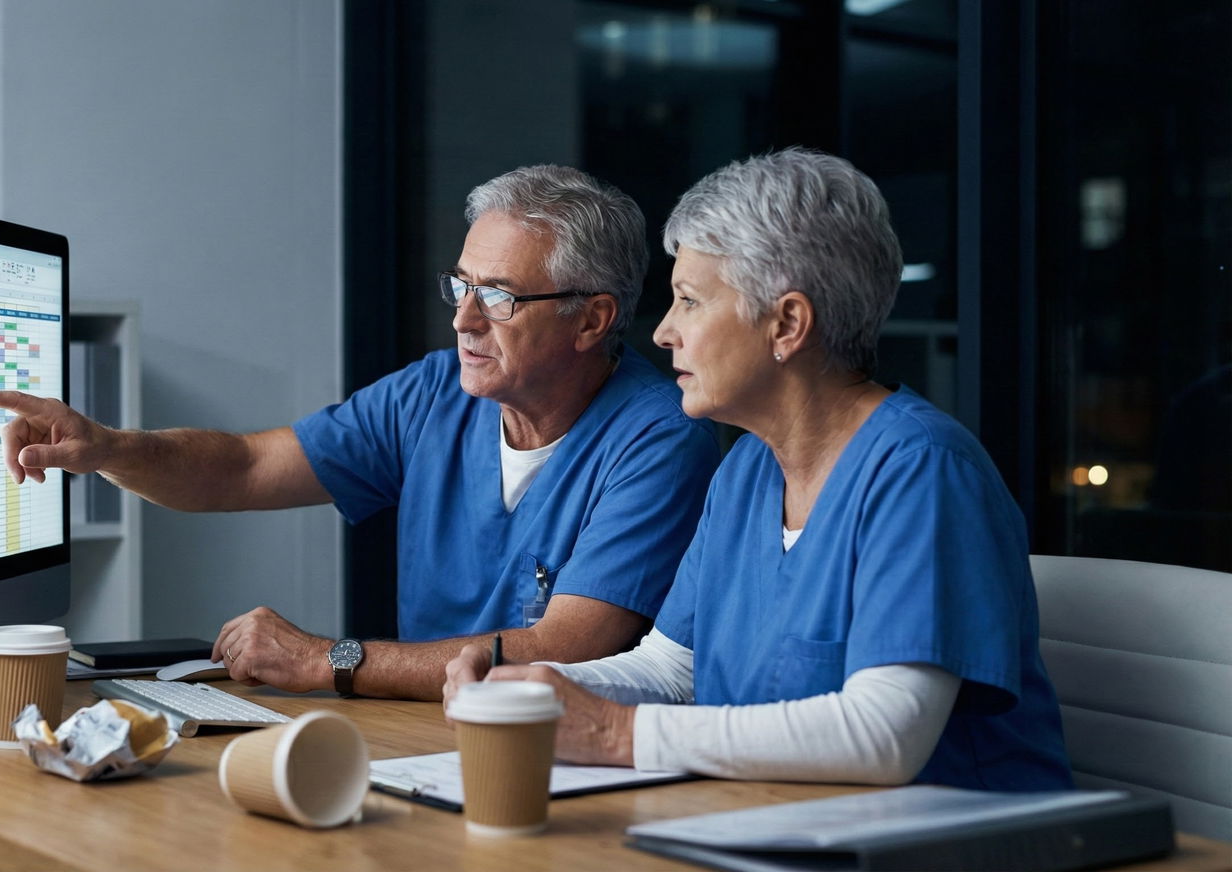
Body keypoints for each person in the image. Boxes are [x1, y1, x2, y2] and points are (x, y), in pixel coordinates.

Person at [445, 148, 1073, 790]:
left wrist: (614, 733)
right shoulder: (747, 468)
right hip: (780, 826)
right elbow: (672, 672)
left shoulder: (924, 470)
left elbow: (886, 735)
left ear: (788, 324)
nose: (662, 333)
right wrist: (520, 684)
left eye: (689, 301)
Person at [0, 165, 720, 701]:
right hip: (414, 739)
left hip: (552, 757)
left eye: (497, 297)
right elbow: (238, 468)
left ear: (591, 319)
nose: (462, 320)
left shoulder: (658, 436)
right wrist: (106, 448)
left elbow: (566, 650)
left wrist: (330, 659)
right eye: (460, 287)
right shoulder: (433, 393)